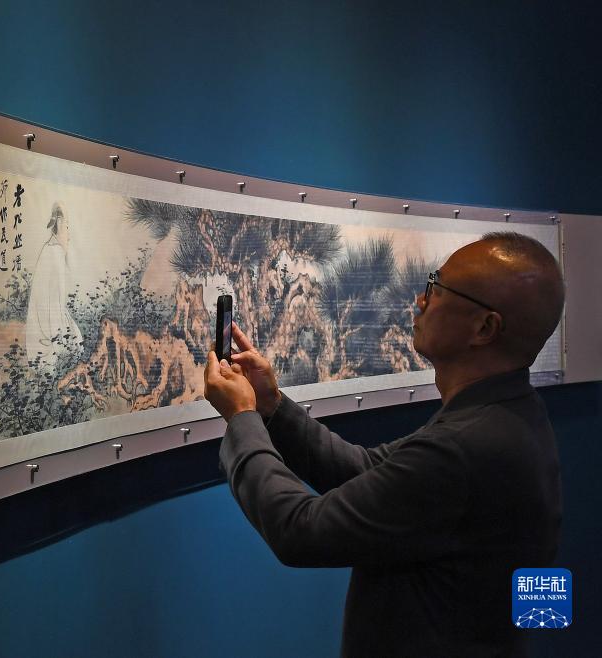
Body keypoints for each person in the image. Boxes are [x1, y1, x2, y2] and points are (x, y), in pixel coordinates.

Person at [203, 232, 563, 657]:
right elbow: (365, 470)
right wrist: (271, 406)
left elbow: (299, 530)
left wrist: (242, 418)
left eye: (437, 288)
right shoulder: (507, 413)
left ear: (484, 328)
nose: (421, 301)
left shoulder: (465, 447)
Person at [25, 202, 83, 369]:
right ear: (61, 227)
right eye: (67, 228)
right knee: (76, 345)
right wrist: (60, 341)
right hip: (46, 334)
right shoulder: (55, 253)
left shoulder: (48, 249)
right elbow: (54, 306)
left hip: (41, 328)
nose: (69, 237)